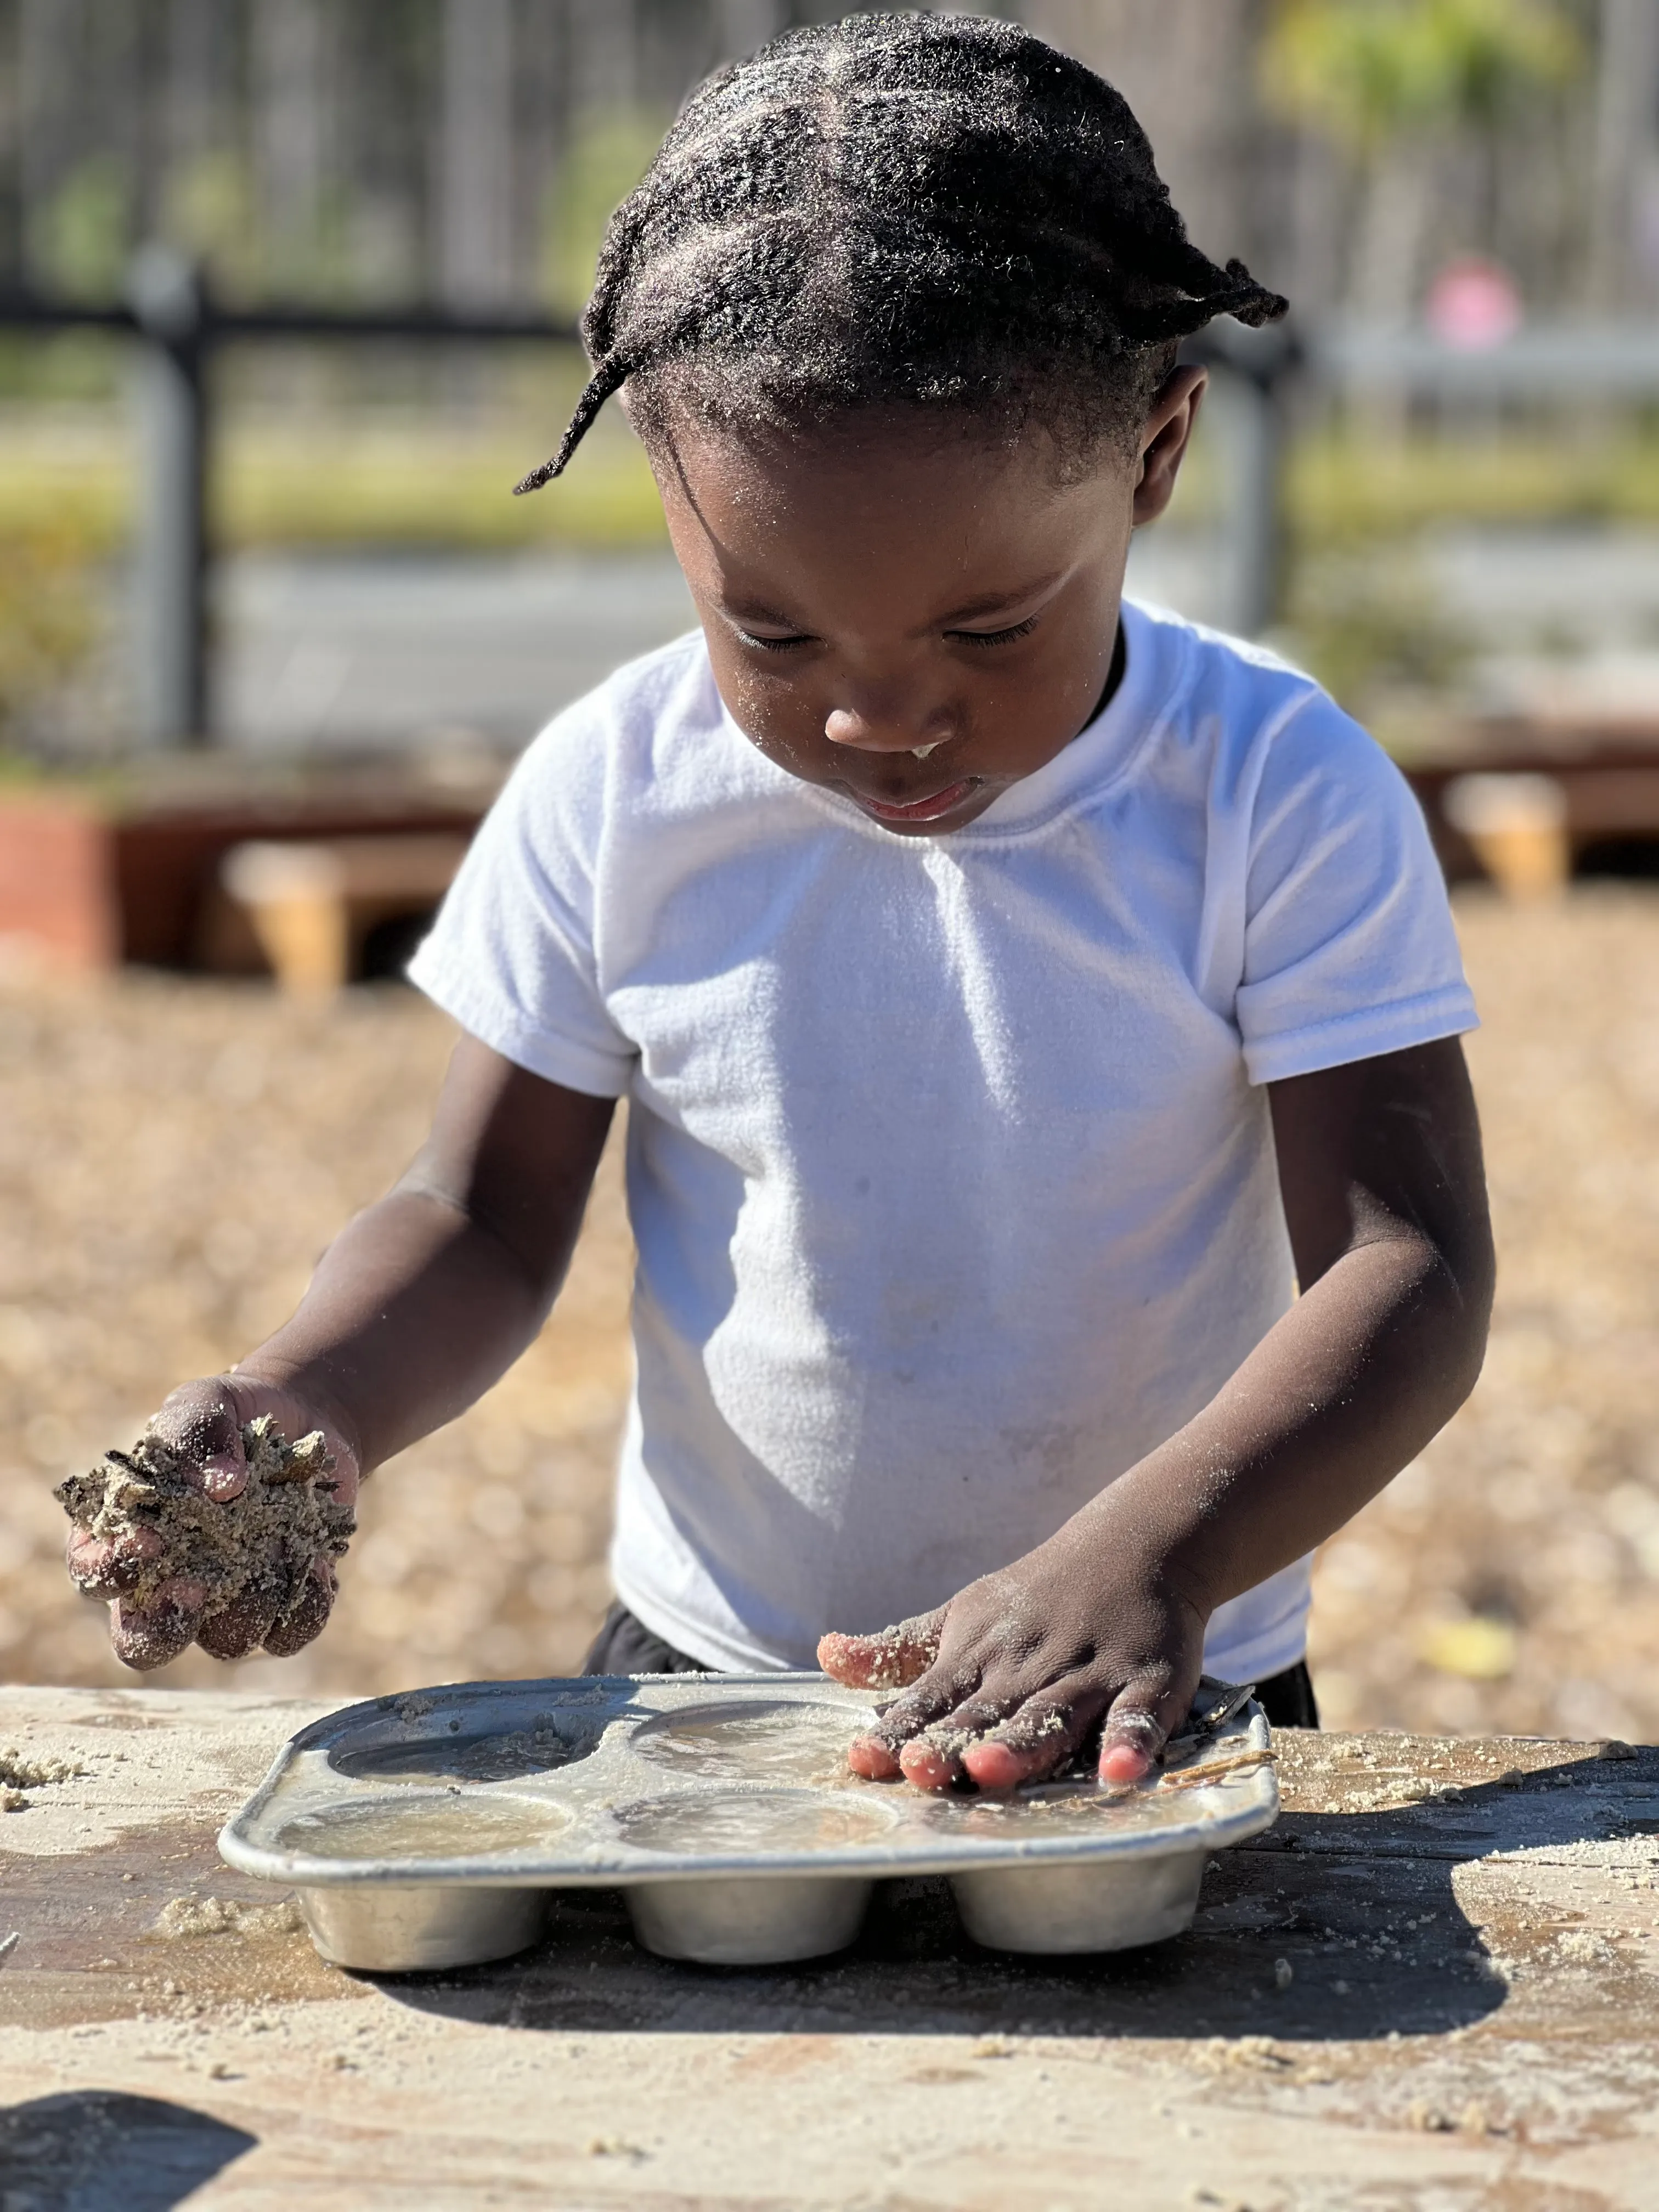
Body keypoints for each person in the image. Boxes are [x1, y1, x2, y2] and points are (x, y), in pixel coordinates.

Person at [65, 14, 1493, 1793]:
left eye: (988, 631)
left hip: (1144, 1669)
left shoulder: (1276, 789)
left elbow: (1406, 1270)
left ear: (1155, 453)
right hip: (703, 1678)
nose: (877, 717)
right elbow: (483, 1221)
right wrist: (315, 1398)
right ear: (671, 507)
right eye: (772, 632)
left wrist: (1145, 1561)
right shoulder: (619, 786)